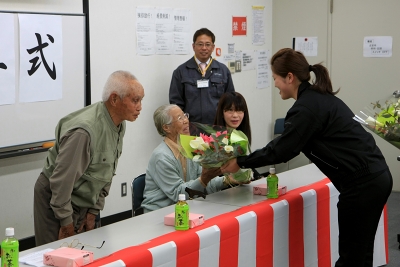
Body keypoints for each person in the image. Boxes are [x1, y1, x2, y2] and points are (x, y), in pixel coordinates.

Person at [221, 48, 392, 267]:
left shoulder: (306, 108)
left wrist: (241, 161)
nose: (274, 84)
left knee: (352, 259)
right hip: (375, 176)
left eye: (275, 78)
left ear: (289, 77)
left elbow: (282, 150)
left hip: (362, 184)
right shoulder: (318, 98)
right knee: (360, 254)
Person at [33, 70, 145, 246]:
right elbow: (61, 184)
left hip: (81, 198)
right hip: (56, 200)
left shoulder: (119, 123)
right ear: (114, 99)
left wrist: (94, 210)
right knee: (55, 255)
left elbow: (107, 171)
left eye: (141, 100)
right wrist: (66, 223)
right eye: (135, 100)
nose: (140, 107)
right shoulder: (84, 132)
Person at [141, 104, 239, 213]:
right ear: (166, 127)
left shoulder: (190, 147)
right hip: (160, 213)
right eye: (180, 118)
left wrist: (227, 180)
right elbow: (178, 194)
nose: (186, 121)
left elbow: (203, 183)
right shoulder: (162, 157)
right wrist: (203, 179)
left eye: (185, 116)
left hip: (187, 208)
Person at [169, 28, 235, 125]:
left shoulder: (223, 70)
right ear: (193, 46)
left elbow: (230, 101)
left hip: (218, 127)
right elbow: (175, 105)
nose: (204, 48)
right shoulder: (181, 72)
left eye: (208, 44)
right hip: (191, 128)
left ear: (213, 47)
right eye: (200, 44)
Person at [213, 92, 262, 181]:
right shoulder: (215, 138)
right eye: (230, 110)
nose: (235, 115)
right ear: (222, 113)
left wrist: (258, 177)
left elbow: (246, 162)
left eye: (239, 110)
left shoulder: (241, 134)